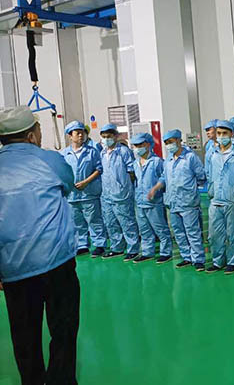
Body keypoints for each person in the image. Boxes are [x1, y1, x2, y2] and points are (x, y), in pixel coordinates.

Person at [0, 106, 80, 385]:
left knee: (24, 334)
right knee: (63, 329)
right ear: (32, 135)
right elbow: (68, 184)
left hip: (14, 267)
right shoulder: (49, 160)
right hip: (56, 261)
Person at [149, 129, 207, 271]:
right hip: (173, 201)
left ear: (179, 141)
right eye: (166, 143)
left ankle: (198, 259)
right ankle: (186, 257)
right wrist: (155, 188)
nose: (169, 145)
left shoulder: (190, 157)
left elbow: (201, 176)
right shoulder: (168, 160)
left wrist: (190, 189)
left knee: (192, 232)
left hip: (188, 202)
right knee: (179, 232)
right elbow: (164, 177)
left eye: (171, 142)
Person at [206, 119, 234, 274]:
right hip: (215, 200)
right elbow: (208, 174)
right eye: (219, 133)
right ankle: (217, 261)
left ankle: (232, 262)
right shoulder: (212, 154)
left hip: (233, 200)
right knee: (214, 234)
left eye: (225, 133)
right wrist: (213, 190)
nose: (221, 136)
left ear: (232, 134)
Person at [61, 120, 107, 258]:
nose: (81, 135)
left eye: (82, 133)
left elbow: (98, 169)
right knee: (77, 222)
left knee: (94, 220)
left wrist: (86, 182)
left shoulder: (92, 152)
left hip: (89, 193)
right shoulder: (64, 154)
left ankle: (99, 244)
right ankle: (82, 245)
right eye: (77, 133)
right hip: (72, 195)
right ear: (70, 136)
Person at [99, 123, 140, 261]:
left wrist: (125, 188)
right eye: (104, 137)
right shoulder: (102, 153)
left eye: (109, 136)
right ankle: (117, 247)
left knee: (127, 221)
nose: (106, 139)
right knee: (110, 222)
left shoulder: (123, 151)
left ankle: (133, 248)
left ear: (116, 136)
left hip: (122, 194)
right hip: (107, 194)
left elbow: (131, 171)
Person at [131, 133, 172, 264]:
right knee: (144, 229)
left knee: (160, 228)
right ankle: (147, 252)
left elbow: (164, 178)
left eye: (140, 145)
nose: (138, 148)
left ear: (148, 144)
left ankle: (166, 252)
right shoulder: (135, 163)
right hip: (140, 201)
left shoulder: (157, 162)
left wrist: (155, 189)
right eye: (135, 145)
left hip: (154, 202)